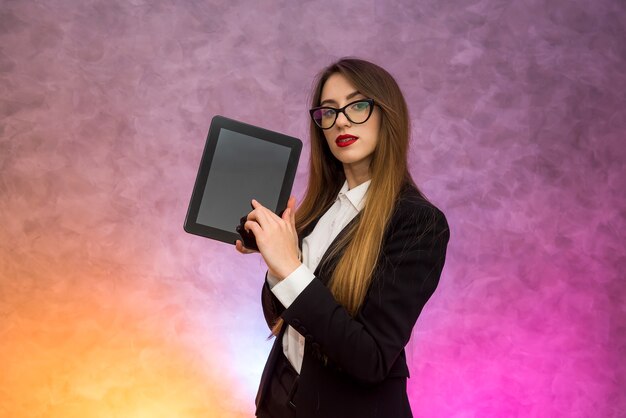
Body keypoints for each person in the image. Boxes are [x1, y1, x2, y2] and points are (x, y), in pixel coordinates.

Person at [235, 57, 450, 418]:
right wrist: (276, 265)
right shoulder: (318, 212)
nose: (342, 120)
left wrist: (289, 268)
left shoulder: (418, 222)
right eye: (329, 112)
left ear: (387, 114)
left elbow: (370, 360)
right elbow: (285, 323)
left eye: (358, 105)